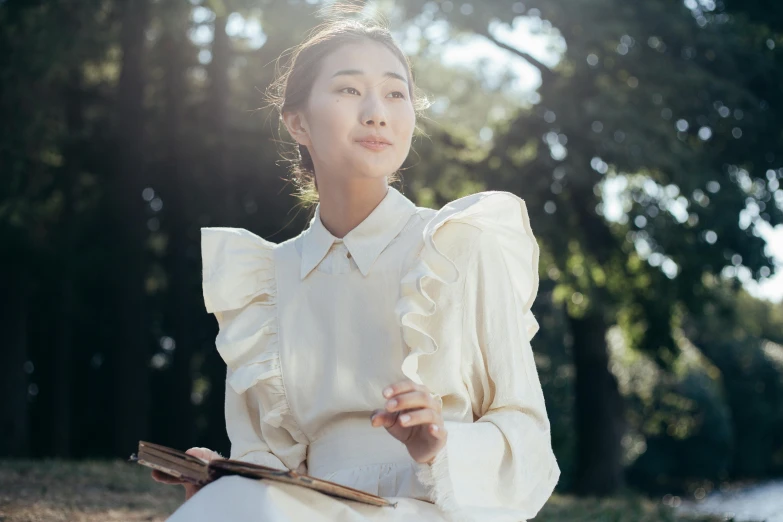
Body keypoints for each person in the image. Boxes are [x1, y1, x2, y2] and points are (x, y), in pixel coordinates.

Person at [152, 11, 560, 522]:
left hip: (434, 508)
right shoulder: (268, 281)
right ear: (297, 122)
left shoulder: (459, 246)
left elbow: (527, 434)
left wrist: (439, 442)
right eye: (348, 91)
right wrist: (219, 477)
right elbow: (272, 462)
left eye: (395, 93)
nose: (376, 113)